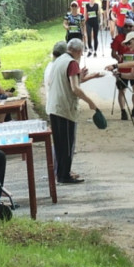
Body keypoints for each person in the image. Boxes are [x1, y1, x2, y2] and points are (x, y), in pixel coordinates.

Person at [47, 38, 103, 185]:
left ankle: (61, 173)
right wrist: (91, 102)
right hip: (64, 108)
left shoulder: (59, 60)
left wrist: (84, 76)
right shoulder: (71, 63)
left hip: (53, 107)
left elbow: (70, 82)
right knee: (66, 143)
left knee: (59, 143)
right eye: (81, 52)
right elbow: (75, 88)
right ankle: (64, 175)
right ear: (78, 51)